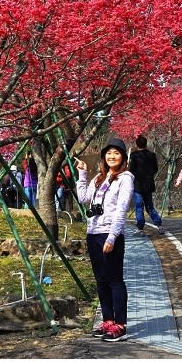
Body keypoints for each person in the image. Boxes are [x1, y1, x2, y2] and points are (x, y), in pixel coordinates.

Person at [74, 138, 134, 342]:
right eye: (108, 153)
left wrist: (113, 236)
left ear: (123, 156)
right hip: (93, 233)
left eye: (116, 153)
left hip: (111, 234)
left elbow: (122, 209)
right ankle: (108, 320)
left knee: (115, 280)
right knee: (101, 280)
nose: (112, 156)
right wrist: (82, 173)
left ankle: (120, 324)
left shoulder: (126, 178)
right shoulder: (99, 178)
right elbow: (83, 199)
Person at [128, 135, 164, 234]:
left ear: (137, 144)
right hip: (148, 184)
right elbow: (155, 169)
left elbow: (131, 171)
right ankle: (159, 225)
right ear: (146, 143)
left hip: (138, 185)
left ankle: (140, 228)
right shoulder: (152, 155)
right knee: (149, 206)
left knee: (139, 206)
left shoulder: (134, 155)